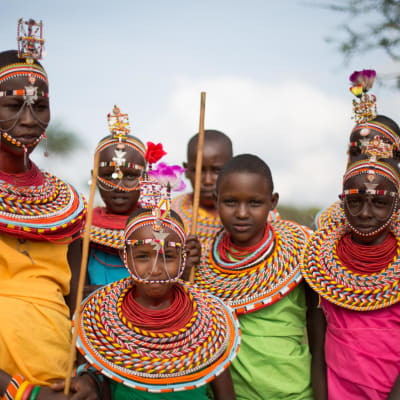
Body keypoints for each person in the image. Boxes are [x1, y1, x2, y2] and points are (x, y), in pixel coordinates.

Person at [55, 170, 241, 399]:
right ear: (126, 257)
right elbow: (97, 379)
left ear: (184, 258)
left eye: (169, 256)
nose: (156, 268)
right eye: (143, 256)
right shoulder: (104, 320)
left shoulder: (209, 321)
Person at [0, 19, 86, 399]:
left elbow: (81, 306)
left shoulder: (67, 203)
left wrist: (89, 379)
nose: (30, 121)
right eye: (14, 106)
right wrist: (19, 393)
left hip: (57, 378)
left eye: (40, 107)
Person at [193, 154, 313, 400]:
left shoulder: (301, 251)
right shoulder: (202, 262)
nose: (242, 213)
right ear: (216, 202)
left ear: (273, 202)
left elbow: (318, 326)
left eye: (255, 203)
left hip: (294, 392)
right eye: (230, 202)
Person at [301, 158, 400, 399]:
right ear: (342, 202)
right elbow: (318, 352)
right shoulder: (320, 265)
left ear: (396, 206)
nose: (365, 213)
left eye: (379, 202)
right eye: (355, 201)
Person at [173, 130, 280, 258]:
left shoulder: (268, 218)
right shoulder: (172, 216)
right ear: (186, 169)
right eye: (199, 170)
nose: (207, 181)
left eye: (216, 170)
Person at [315, 69, 400, 230]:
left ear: (397, 157)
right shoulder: (324, 225)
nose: (364, 160)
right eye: (355, 152)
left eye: (376, 151)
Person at [86, 105, 146, 289]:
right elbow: (75, 291)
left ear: (145, 178)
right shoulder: (83, 227)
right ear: (94, 176)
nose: (118, 187)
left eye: (129, 176)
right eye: (108, 175)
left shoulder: (155, 226)